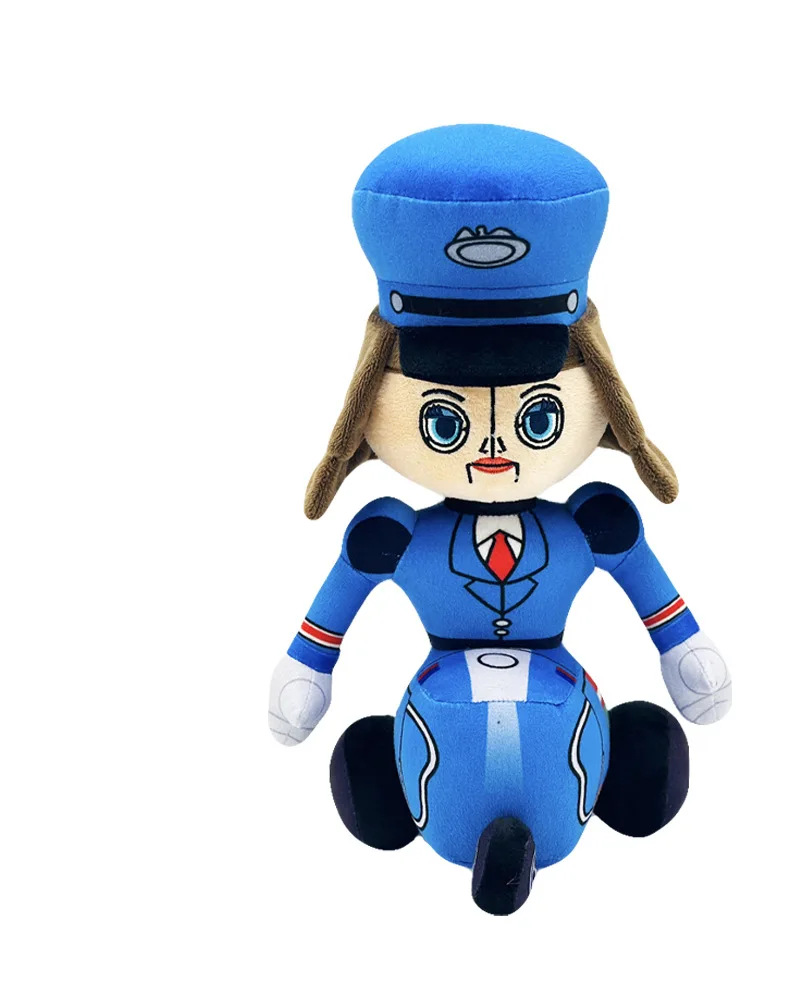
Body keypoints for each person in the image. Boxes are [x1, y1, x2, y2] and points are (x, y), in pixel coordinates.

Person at [268, 125, 732, 914]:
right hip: (442, 713)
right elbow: (334, 606)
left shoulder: (592, 526)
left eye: (538, 418)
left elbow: (649, 586)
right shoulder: (392, 538)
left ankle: (603, 783)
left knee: (627, 753)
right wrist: (309, 663)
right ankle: (414, 793)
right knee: (405, 759)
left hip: (562, 700)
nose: (491, 448)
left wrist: (682, 643)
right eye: (444, 422)